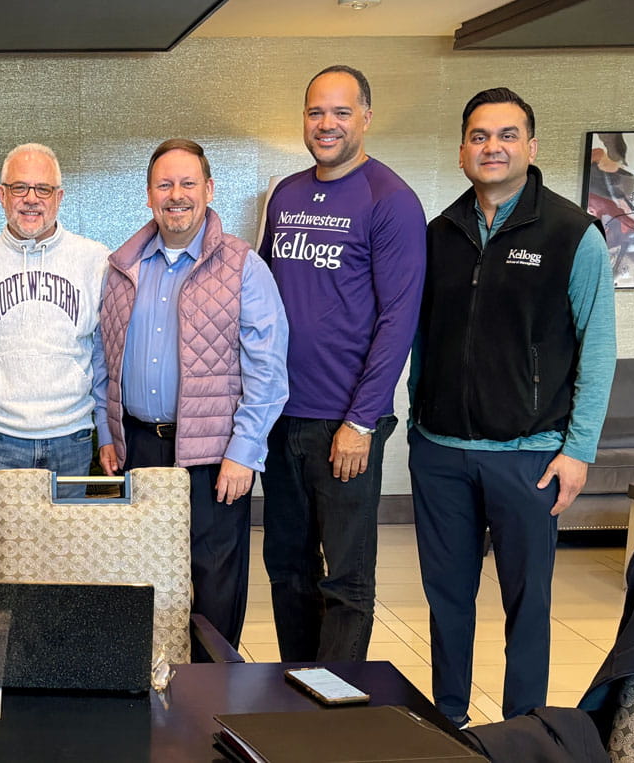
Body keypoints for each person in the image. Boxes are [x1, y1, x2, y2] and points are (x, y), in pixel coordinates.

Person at [409, 87, 616, 724]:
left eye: (505, 135)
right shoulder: (438, 234)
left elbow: (598, 347)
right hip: (440, 452)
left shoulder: (572, 234)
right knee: (447, 598)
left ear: (530, 145)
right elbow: (420, 337)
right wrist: (419, 423)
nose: (491, 147)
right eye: (478, 136)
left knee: (527, 603)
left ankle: (525, 725)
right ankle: (450, 718)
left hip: (528, 457)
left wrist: (577, 451)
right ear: (463, 148)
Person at [258, 65, 426, 662]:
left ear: (365, 118)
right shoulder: (286, 194)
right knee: (286, 567)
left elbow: (397, 322)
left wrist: (360, 421)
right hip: (279, 418)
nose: (326, 124)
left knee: (345, 580)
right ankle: (294, 691)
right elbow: (261, 299)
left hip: (344, 425)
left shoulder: (392, 200)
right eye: (315, 112)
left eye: (340, 112)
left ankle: (335, 710)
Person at [97, 138, 289, 648]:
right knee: (142, 580)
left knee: (213, 587)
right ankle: (151, 702)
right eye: (165, 184)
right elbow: (104, 360)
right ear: (148, 195)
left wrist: (244, 453)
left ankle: (208, 703)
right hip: (138, 449)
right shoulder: (123, 269)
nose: (176, 195)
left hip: (213, 456)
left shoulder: (243, 266)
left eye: (187, 183)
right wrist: (106, 433)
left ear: (208, 189)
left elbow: (268, 373)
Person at [0, 143, 110, 580]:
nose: (31, 198)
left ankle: (49, 652)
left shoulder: (95, 260)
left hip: (70, 439)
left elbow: (102, 350)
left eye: (43, 188)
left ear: (59, 196)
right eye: (20, 187)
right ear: (2, 195)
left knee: (59, 571)